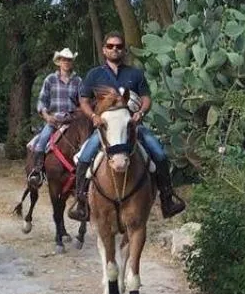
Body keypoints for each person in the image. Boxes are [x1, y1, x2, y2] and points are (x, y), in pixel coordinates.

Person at [68, 33, 187, 221]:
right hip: (106, 130)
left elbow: (146, 97)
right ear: (104, 49)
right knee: (84, 158)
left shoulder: (135, 73)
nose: (115, 49)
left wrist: (141, 113)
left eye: (119, 46)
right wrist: (93, 116)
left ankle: (167, 199)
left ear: (123, 50)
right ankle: (81, 203)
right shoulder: (94, 75)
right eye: (111, 46)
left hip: (132, 127)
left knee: (159, 154)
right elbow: (83, 99)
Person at [27, 48, 83, 180]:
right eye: (64, 60)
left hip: (72, 120)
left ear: (72, 62)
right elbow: (41, 101)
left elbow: (82, 102)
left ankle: (85, 176)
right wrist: (47, 116)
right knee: (41, 143)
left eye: (69, 60)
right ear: (59, 62)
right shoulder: (50, 79)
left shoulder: (78, 81)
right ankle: (38, 171)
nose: (66, 62)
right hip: (54, 120)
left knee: (86, 143)